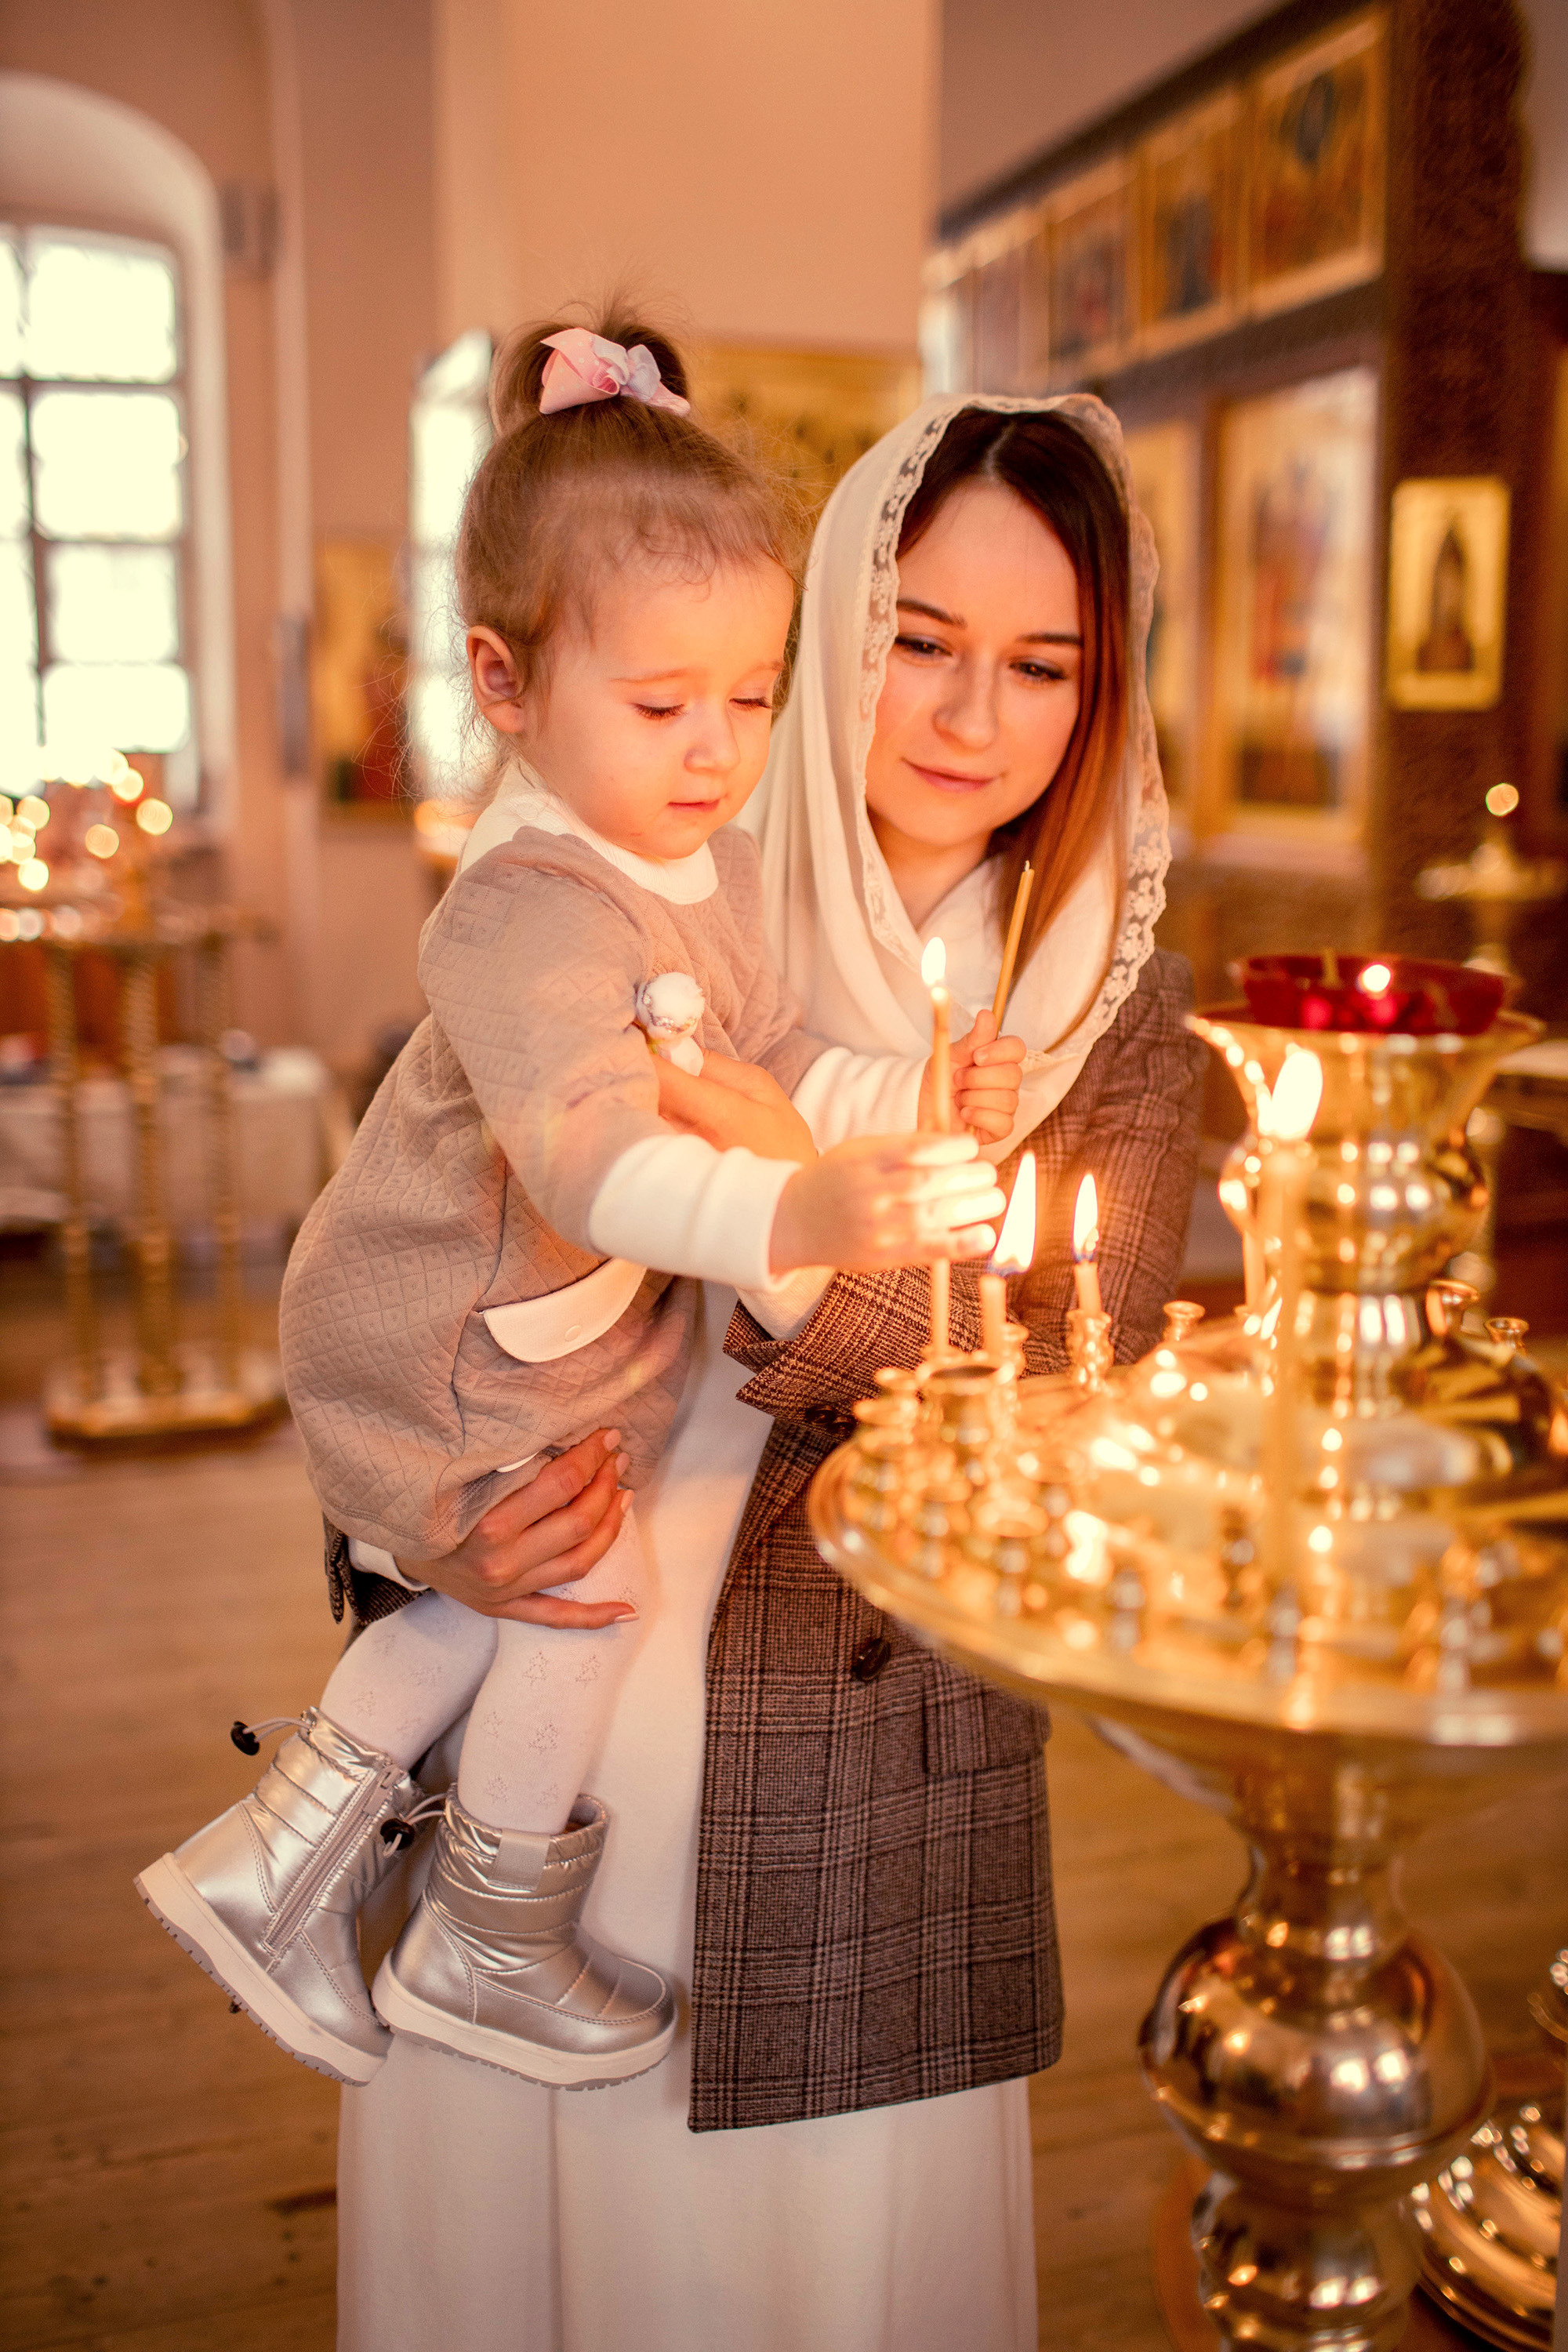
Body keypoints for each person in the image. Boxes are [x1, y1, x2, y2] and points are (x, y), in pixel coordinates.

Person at [332, 389, 1205, 2352]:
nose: (973, 719)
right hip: (568, 1658)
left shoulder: (1108, 1002)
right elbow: (410, 1264)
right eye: (919, 642)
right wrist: (421, 1534)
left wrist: (804, 1252)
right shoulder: (648, 887)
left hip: (872, 1729)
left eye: (1041, 665)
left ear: (1100, 694)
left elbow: (1076, 1358)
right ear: (829, 630)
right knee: (549, 2213)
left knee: (813, 2269)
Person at [134, 315, 1020, 2096]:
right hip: (444, 1313)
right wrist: (803, 1213)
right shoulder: (526, 902)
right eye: (663, 703)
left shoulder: (722, 864)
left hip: (551, 1330)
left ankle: (273, 1861)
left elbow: (769, 1061)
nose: (716, 747)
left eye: (754, 698)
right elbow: (595, 1157)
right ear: (509, 680)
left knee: (513, 1584)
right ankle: (486, 1933)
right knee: (585, 1578)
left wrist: (900, 1107)